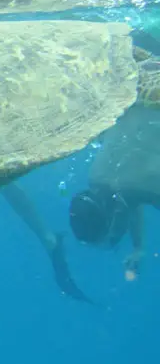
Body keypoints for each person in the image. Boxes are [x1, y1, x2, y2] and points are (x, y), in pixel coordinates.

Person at [67, 104, 159, 278]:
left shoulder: (152, 191)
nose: (119, 235)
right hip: (137, 102)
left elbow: (134, 194)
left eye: (116, 235)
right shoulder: (97, 178)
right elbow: (128, 199)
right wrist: (139, 247)